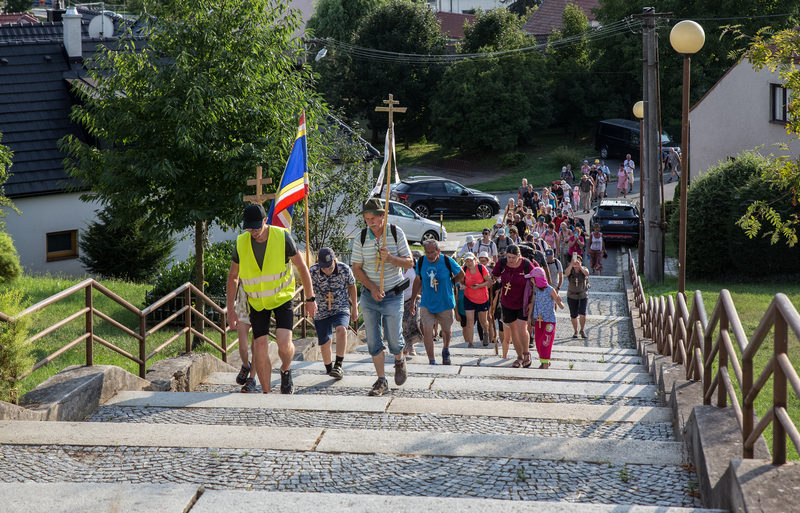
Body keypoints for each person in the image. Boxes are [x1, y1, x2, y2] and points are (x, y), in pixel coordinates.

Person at [226, 203, 316, 395]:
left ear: (265, 221)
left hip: (282, 298)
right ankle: (267, 394)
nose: (253, 232)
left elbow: (301, 266)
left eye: (256, 227)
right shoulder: (241, 242)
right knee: (259, 347)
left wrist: (310, 298)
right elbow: (233, 276)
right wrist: (231, 309)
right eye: (249, 228)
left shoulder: (282, 237)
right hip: (257, 302)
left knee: (284, 344)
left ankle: (285, 368)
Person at [351, 198, 414, 397]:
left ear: (382, 216)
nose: (370, 222)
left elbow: (410, 263)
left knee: (394, 339)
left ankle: (399, 359)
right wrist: (372, 288)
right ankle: (381, 380)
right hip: (370, 296)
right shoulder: (361, 238)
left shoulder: (396, 233)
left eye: (373, 218)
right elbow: (357, 269)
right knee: (373, 340)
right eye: (366, 218)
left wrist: (391, 259)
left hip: (393, 294)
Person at [409, 240, 464, 365]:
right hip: (427, 302)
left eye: (432, 252)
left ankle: (445, 349)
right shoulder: (422, 262)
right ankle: (432, 360)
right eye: (427, 252)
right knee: (427, 330)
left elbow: (461, 273)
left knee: (446, 330)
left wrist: (451, 282)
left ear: (438, 251)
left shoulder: (446, 261)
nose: (429, 255)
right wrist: (412, 300)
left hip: (445, 302)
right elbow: (417, 280)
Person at [309, 247, 358, 380]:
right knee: (325, 342)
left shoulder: (344, 269)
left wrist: (354, 307)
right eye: (324, 268)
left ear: (335, 261)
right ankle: (329, 369)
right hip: (321, 310)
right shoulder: (312, 271)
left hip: (340, 307)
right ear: (319, 262)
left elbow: (352, 286)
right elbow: (309, 289)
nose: (328, 271)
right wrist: (310, 302)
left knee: (341, 329)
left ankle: (339, 365)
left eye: (330, 268)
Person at [492, 245, 536, 369]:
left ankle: (526, 354)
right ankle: (519, 356)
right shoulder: (502, 263)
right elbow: (493, 277)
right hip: (507, 302)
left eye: (514, 257)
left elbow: (537, 283)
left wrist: (531, 303)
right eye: (509, 257)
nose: (511, 260)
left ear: (519, 256)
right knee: (514, 332)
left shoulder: (526, 265)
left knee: (522, 329)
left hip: (522, 303)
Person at [525, 267, 565, 369]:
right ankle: (544, 362)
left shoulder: (550, 290)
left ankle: (545, 366)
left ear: (537, 279)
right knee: (538, 344)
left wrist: (559, 301)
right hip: (539, 321)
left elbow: (561, 306)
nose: (531, 280)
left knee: (545, 343)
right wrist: (529, 317)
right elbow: (533, 304)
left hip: (549, 321)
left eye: (532, 278)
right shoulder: (536, 290)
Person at [461, 252, 491, 347]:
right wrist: (462, 286)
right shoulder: (464, 269)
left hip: (482, 298)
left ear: (475, 260)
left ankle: (486, 333)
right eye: (467, 261)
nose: (469, 263)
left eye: (471, 260)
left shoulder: (481, 268)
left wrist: (479, 286)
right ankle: (470, 343)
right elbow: (461, 282)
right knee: (469, 321)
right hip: (469, 298)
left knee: (483, 322)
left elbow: (489, 282)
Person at [402, 250, 424, 356]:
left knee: (412, 321)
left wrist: (419, 294)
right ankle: (403, 345)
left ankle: (411, 345)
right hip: (397, 300)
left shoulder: (414, 266)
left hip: (412, 298)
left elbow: (420, 280)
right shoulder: (396, 267)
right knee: (402, 324)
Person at [565, 254, 590, 339]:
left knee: (582, 314)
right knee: (573, 315)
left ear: (581, 262)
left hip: (582, 295)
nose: (576, 262)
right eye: (574, 260)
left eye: (578, 261)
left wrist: (580, 267)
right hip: (572, 296)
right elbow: (566, 273)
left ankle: (582, 330)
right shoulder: (570, 269)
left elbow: (587, 273)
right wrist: (571, 265)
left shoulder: (584, 269)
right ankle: (575, 331)